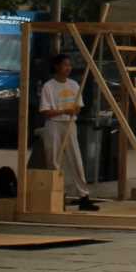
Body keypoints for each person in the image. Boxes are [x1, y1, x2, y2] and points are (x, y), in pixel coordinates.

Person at [37, 53, 98, 211]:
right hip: (54, 126)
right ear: (57, 66)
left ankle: (83, 196)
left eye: (69, 65)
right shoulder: (49, 86)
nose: (68, 68)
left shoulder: (74, 85)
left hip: (70, 125)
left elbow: (78, 107)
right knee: (54, 160)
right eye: (65, 65)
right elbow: (46, 111)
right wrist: (64, 110)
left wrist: (72, 111)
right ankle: (58, 195)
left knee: (76, 159)